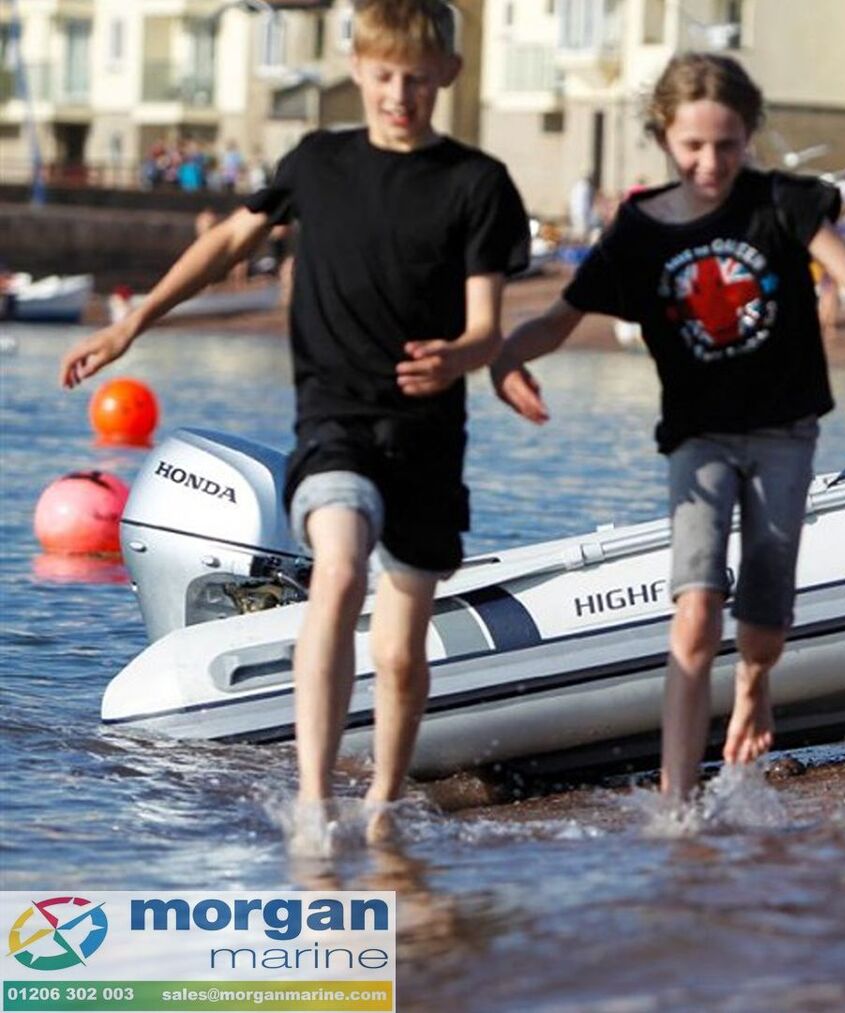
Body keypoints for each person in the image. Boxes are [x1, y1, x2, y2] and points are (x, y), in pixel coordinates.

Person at [57, 0, 530, 846]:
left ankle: (382, 807)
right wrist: (134, 322)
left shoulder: (476, 183)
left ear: (448, 75)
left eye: (418, 79)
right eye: (384, 76)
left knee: (400, 650)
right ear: (357, 69)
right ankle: (313, 803)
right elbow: (226, 245)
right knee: (338, 572)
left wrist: (462, 356)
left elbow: (486, 324)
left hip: (425, 439)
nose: (400, 95)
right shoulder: (318, 163)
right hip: (335, 424)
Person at [487, 53, 845, 804]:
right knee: (694, 614)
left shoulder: (782, 203)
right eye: (692, 146)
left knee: (764, 624)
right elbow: (559, 317)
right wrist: (505, 358)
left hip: (784, 432)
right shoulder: (640, 230)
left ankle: (753, 683)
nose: (710, 162)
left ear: (749, 135)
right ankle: (677, 806)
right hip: (699, 438)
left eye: (727, 145)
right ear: (663, 138)